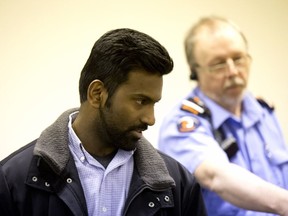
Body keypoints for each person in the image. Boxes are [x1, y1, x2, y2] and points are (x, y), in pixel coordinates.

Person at [0, 28, 207, 216]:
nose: (150, 119)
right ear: (97, 94)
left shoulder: (178, 186)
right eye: (141, 101)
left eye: (153, 104)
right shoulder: (11, 180)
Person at [158, 16, 288, 216]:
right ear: (195, 72)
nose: (233, 71)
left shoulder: (263, 111)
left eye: (238, 59)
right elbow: (216, 177)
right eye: (218, 65)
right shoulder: (182, 124)